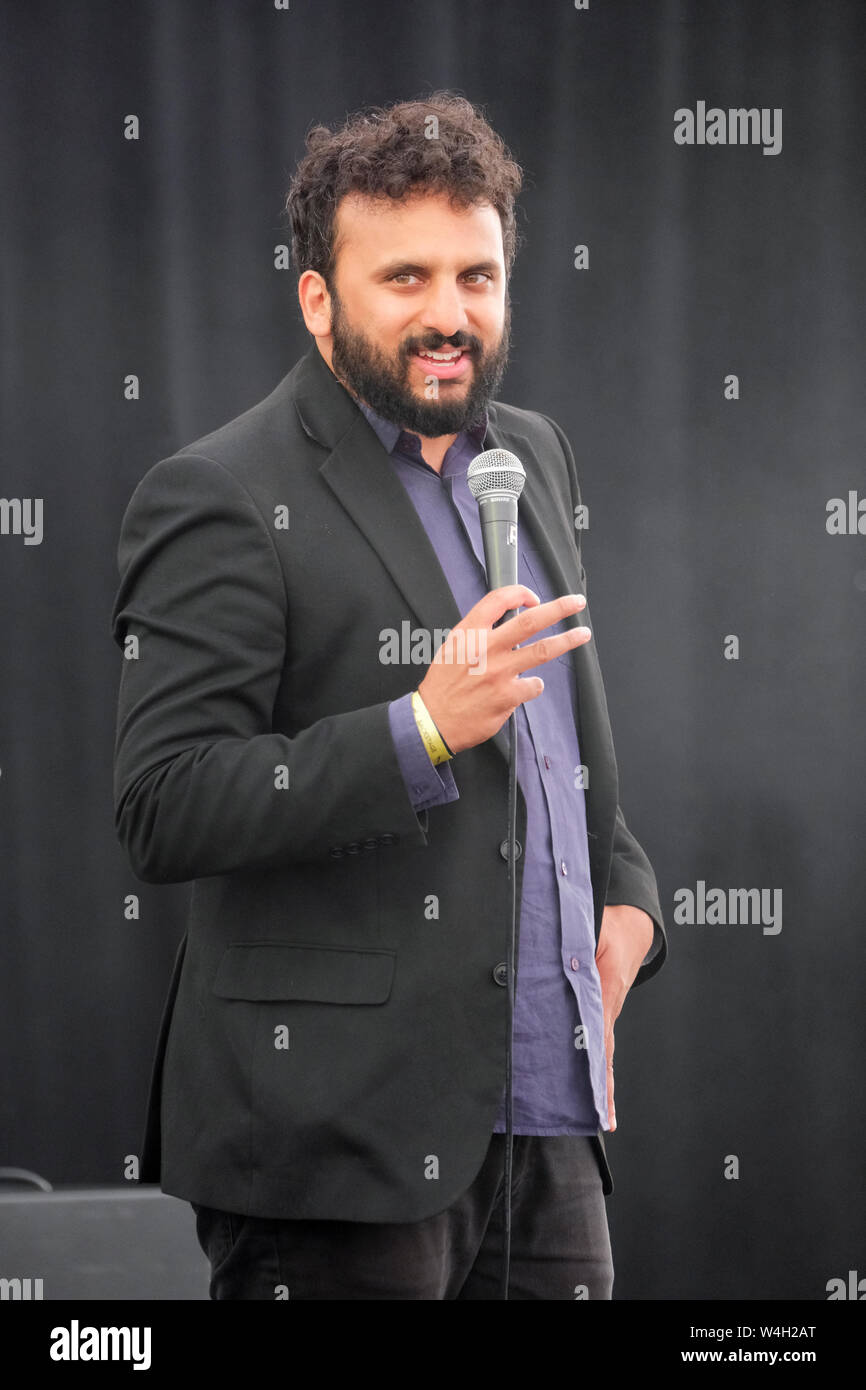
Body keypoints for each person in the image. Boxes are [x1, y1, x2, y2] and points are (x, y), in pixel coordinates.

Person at [111, 91, 666, 1301]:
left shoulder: (530, 454)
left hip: (546, 1125)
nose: (448, 314)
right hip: (335, 1147)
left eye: (476, 276)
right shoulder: (216, 492)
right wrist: (417, 730)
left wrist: (625, 905)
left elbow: (552, 742)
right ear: (318, 299)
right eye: (403, 277)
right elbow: (164, 802)